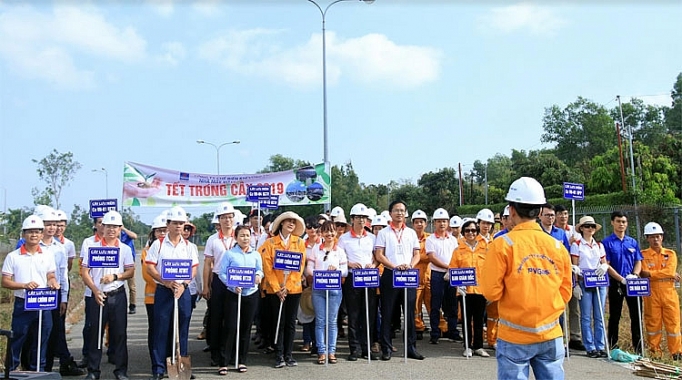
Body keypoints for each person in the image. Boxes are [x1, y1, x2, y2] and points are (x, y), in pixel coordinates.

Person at [481, 177, 572, 380]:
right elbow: (565, 291)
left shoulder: (502, 245)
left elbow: (490, 291)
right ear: (540, 212)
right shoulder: (557, 246)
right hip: (551, 333)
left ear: (511, 210)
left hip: (514, 336)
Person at [145, 206, 199, 380]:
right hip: (164, 291)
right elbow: (150, 266)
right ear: (167, 224)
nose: (178, 227)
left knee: (182, 328)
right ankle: (159, 368)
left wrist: (184, 284)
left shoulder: (189, 246)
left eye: (181, 223)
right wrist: (165, 281)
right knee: (161, 329)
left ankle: (181, 365)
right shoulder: (158, 244)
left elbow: (194, 269)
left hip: (182, 292)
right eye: (175, 223)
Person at [80, 210, 134, 380]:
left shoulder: (124, 249)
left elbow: (130, 271)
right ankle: (93, 371)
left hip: (117, 294)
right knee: (95, 334)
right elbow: (84, 271)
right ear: (102, 227)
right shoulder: (92, 248)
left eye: (115, 227)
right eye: (108, 226)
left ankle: (121, 371)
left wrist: (116, 276)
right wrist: (95, 290)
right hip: (98, 295)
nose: (111, 230)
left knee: (119, 334)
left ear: (120, 229)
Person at [2, 215, 59, 371]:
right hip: (23, 303)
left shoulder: (47, 255)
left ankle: (37, 370)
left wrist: (52, 282)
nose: (34, 235)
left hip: (43, 303)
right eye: (30, 232)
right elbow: (5, 281)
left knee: (41, 339)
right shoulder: (13, 257)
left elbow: (50, 275)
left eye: (37, 232)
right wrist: (23, 285)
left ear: (42, 234)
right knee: (17, 338)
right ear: (23, 234)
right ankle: (11, 370)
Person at [374, 200, 425, 361]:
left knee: (410, 313)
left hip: (408, 275)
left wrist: (410, 265)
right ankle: (386, 348)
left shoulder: (410, 233)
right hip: (390, 274)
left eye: (402, 210)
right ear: (390, 213)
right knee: (388, 312)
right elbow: (379, 255)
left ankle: (411, 348)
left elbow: (417, 254)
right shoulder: (384, 233)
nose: (399, 213)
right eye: (396, 210)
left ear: (406, 213)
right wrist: (394, 266)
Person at [259, 211, 307, 368]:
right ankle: (279, 355)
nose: (291, 223)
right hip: (275, 290)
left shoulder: (299, 243)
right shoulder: (270, 243)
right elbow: (267, 268)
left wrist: (288, 286)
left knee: (290, 323)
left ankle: (289, 354)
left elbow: (299, 268)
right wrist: (277, 288)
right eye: (288, 221)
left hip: (293, 290)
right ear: (281, 223)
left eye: (294, 221)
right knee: (278, 322)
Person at [217, 225, 264, 374]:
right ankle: (224, 362)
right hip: (233, 294)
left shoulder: (255, 254)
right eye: (242, 235)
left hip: (250, 294)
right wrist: (231, 283)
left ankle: (241, 360)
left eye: (247, 235)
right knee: (230, 327)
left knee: (246, 328)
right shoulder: (229, 254)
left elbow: (259, 270)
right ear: (236, 238)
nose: (245, 238)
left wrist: (258, 276)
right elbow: (222, 273)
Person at [337, 203, 378, 361]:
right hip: (353, 278)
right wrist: (349, 263)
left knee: (368, 315)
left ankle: (367, 348)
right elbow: (339, 258)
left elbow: (377, 257)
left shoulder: (372, 238)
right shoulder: (344, 238)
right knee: (353, 315)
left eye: (364, 218)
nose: (361, 220)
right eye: (358, 217)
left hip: (369, 277)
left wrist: (373, 265)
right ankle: (354, 348)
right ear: (352, 219)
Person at [306, 220, 348, 364]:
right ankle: (321, 351)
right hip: (319, 289)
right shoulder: (316, 249)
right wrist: (319, 273)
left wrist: (336, 270)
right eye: (326, 231)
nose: (329, 234)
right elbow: (308, 268)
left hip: (335, 290)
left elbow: (345, 271)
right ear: (321, 233)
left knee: (332, 322)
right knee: (320, 321)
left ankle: (332, 351)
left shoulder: (340, 251)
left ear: (335, 233)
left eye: (332, 231)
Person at [538, 204, 580, 351]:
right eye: (547, 215)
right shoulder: (537, 233)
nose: (550, 218)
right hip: (541, 277)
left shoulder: (560, 233)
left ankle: (558, 339)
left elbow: (565, 255)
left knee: (558, 310)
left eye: (551, 215)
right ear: (540, 216)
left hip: (557, 278)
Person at [639, 222, 681, 359]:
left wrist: (651, 274)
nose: (655, 239)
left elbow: (670, 270)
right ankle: (655, 353)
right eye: (652, 237)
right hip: (652, 293)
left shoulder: (670, 254)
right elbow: (643, 272)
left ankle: (676, 353)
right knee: (653, 324)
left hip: (669, 292)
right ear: (647, 238)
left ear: (662, 237)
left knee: (673, 323)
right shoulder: (643, 255)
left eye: (657, 236)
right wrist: (666, 274)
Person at [603, 210, 643, 353]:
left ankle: (638, 347)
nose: (621, 224)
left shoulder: (632, 242)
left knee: (636, 315)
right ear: (612, 222)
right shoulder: (606, 243)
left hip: (633, 283)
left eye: (624, 222)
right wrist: (621, 279)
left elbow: (638, 261)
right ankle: (613, 346)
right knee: (615, 315)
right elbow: (606, 264)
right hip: (616, 283)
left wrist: (635, 274)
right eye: (618, 221)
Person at [203, 202, 237, 366]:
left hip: (237, 280)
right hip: (218, 280)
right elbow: (207, 263)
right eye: (224, 218)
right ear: (219, 220)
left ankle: (230, 353)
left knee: (233, 318)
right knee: (216, 317)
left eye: (230, 217)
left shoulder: (241, 236)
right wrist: (206, 286)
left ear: (234, 218)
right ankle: (215, 353)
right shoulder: (213, 239)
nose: (227, 220)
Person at [571, 216, 608, 358]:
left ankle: (601, 345)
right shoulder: (577, 244)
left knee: (599, 316)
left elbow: (603, 261)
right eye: (587, 226)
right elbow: (575, 265)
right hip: (584, 282)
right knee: (586, 316)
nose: (590, 229)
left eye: (592, 226)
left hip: (599, 281)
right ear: (581, 228)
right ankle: (590, 346)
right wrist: (575, 285)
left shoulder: (599, 245)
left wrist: (604, 266)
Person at [451, 219, 489, 357]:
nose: (471, 233)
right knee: (466, 319)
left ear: (477, 232)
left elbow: (490, 269)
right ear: (463, 233)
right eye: (467, 230)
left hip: (480, 290)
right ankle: (467, 346)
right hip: (464, 291)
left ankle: (478, 346)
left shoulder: (485, 249)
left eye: (473, 230)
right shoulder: (458, 250)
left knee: (479, 319)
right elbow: (453, 269)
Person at [426, 208, 459, 345]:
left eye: (444, 221)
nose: (442, 224)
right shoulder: (431, 239)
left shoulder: (453, 240)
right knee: (436, 304)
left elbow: (457, 256)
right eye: (439, 221)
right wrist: (447, 267)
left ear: (448, 223)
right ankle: (435, 332)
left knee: (452, 304)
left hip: (452, 274)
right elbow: (432, 257)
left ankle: (453, 331)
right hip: (437, 275)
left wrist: (452, 268)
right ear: (434, 223)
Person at [140, 214, 167, 371]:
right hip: (154, 297)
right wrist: (165, 282)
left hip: (171, 295)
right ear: (153, 233)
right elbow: (147, 274)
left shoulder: (173, 247)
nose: (162, 234)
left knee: (169, 329)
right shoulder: (147, 250)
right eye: (159, 231)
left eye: (164, 230)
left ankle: (168, 359)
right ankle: (156, 362)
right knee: (156, 330)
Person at [79, 216, 105, 368]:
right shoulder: (88, 242)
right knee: (90, 325)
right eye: (100, 223)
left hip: (110, 290)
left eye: (105, 223)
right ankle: (87, 355)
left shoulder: (117, 243)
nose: (103, 226)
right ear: (95, 225)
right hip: (92, 292)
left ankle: (112, 353)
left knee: (112, 326)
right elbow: (83, 267)